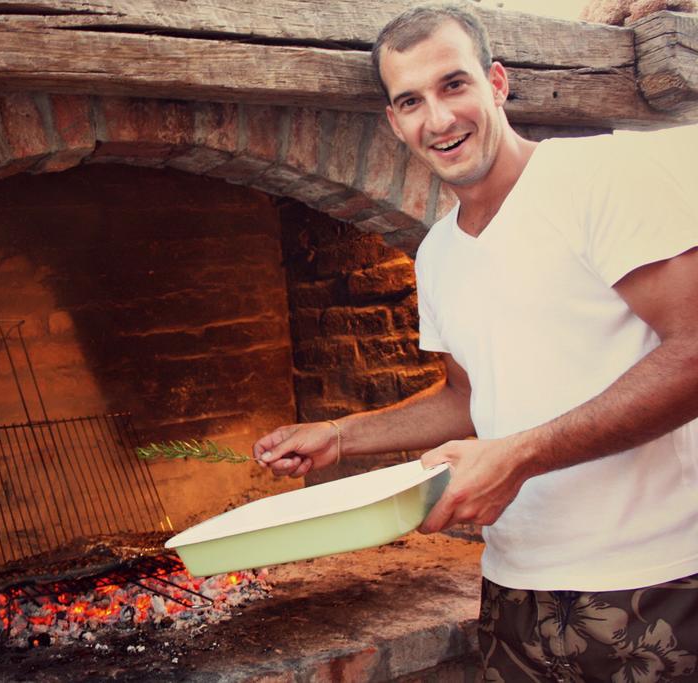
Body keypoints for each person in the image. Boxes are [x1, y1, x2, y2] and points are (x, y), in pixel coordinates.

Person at [253, 3, 698, 680]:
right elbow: (471, 397)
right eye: (411, 100)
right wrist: (344, 436)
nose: (438, 118)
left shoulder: (596, 178)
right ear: (394, 122)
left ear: (495, 82)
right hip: (512, 592)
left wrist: (518, 458)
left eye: (453, 84)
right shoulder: (436, 256)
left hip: (653, 584)